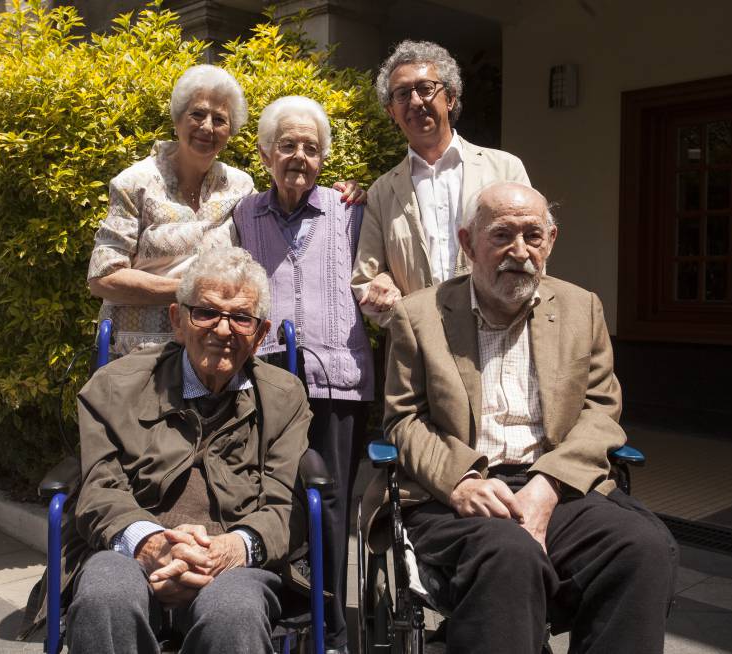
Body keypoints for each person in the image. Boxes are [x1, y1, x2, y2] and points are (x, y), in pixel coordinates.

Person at [362, 182, 677, 653]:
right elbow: (405, 419)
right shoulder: (420, 316)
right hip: (454, 495)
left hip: (556, 485)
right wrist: (462, 481)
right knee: (509, 554)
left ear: (551, 240)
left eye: (533, 235)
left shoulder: (580, 308)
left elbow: (600, 410)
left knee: (643, 548)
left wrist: (548, 486)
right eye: (502, 235)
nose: (520, 251)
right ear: (468, 243)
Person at [66, 247, 313, 653]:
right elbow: (98, 488)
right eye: (207, 312)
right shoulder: (114, 386)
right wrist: (151, 543)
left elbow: (286, 502)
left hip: (233, 558)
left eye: (241, 317)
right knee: (104, 597)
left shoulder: (285, 398)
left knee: (234, 613)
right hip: (129, 547)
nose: (223, 329)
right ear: (177, 321)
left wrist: (230, 549)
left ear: (261, 335)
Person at [87, 65, 364, 356]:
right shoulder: (136, 182)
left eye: (219, 119)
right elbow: (103, 277)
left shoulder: (239, 186)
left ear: (230, 131)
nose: (207, 127)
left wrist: (348, 194)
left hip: (214, 353)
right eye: (197, 114)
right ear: (178, 118)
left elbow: (279, 223)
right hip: (140, 352)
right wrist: (193, 292)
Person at [232, 95, 374, 654]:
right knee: (267, 496)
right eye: (286, 145)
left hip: (336, 378)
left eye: (311, 148)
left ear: (323, 159)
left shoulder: (351, 210)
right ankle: (280, 613)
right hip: (265, 380)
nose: (298, 157)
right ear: (266, 153)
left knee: (330, 500)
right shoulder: (244, 214)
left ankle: (330, 627)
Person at [352, 40, 531, 327]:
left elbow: (533, 251)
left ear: (449, 97)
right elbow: (365, 281)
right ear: (391, 112)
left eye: (425, 88)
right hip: (418, 348)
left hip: (498, 334)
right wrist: (389, 299)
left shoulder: (504, 169)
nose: (415, 102)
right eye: (401, 94)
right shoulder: (382, 192)